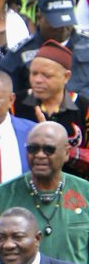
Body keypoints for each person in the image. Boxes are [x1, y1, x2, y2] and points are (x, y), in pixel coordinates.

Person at [0, 122, 89, 264]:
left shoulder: (85, 192)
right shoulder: (1, 196)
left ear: (66, 153)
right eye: (33, 149)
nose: (39, 155)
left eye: (49, 149)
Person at [14, 41, 89, 171]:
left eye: (46, 75)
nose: (37, 80)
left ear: (66, 77)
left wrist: (63, 150)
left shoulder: (84, 107)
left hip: (73, 186)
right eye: (34, 73)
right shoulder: (15, 104)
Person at [1, 0, 89, 96]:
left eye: (67, 22)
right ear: (39, 19)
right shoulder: (21, 53)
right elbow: (5, 93)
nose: (62, 28)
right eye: (56, 23)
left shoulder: (86, 44)